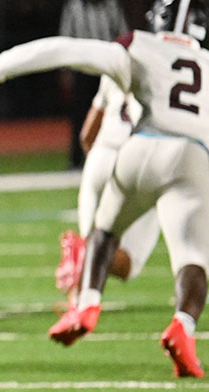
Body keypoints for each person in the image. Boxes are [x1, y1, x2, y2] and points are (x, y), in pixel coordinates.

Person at [0, 0, 209, 377]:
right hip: (191, 155)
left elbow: (64, 49)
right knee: (192, 257)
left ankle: (87, 305)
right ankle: (183, 328)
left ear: (156, 21)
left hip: (139, 146)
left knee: (105, 232)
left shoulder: (137, 47)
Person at [54, 76, 161, 307]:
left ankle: (78, 302)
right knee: (129, 264)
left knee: (95, 242)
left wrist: (99, 165)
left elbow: (86, 135)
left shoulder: (113, 70)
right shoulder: (167, 69)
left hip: (101, 155)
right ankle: (82, 255)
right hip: (140, 158)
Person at [58, 0, 128, 168]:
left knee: (112, 112)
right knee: (79, 115)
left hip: (106, 67)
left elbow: (122, 33)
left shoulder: (111, 2)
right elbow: (65, 37)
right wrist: (65, 70)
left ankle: (111, 155)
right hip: (82, 68)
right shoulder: (74, 5)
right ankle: (76, 159)